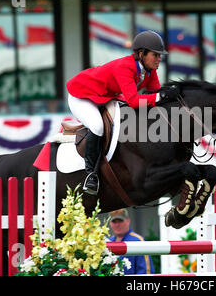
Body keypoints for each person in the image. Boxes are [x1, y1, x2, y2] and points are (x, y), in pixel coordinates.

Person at [66, 30, 179, 195]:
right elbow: (135, 101)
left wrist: (171, 98)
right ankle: (90, 175)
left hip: (104, 97)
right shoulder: (124, 67)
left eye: (160, 56)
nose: (159, 59)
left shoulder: (149, 71)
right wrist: (160, 96)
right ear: (141, 54)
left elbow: (156, 96)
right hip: (81, 95)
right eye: (155, 55)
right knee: (97, 126)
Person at [108, 208, 155, 275]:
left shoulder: (138, 241)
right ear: (110, 223)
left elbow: (146, 272)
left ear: (128, 221)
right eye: (114, 222)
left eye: (120, 221)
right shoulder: (107, 242)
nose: (117, 225)